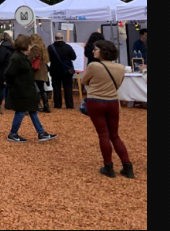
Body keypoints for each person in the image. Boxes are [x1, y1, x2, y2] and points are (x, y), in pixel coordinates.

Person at [80, 40, 134, 178]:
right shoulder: (121, 67)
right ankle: (127, 166)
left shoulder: (93, 66)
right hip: (113, 102)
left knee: (103, 134)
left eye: (96, 49)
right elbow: (119, 83)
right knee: (115, 135)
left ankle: (108, 166)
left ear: (103, 51)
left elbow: (83, 80)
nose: (93, 51)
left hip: (95, 101)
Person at [5, 35, 57, 143]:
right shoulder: (17, 58)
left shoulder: (21, 57)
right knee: (21, 111)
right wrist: (12, 84)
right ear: (25, 46)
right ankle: (13, 134)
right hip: (21, 89)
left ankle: (41, 132)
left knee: (32, 110)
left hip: (26, 88)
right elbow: (9, 73)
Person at [48, 32, 77, 109]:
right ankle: (69, 105)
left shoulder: (50, 47)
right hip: (67, 71)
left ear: (55, 38)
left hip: (55, 70)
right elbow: (74, 57)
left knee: (56, 88)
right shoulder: (68, 47)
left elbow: (47, 59)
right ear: (62, 38)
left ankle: (57, 105)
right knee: (68, 88)